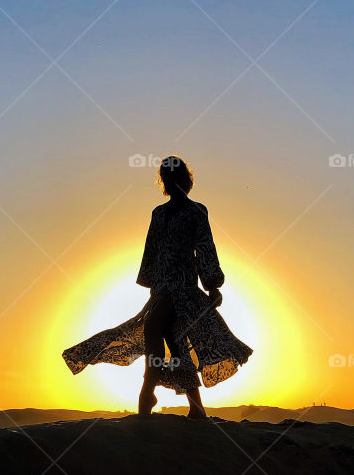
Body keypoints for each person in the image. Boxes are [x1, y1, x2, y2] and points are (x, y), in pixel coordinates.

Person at [62, 156, 252, 418]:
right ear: (164, 181)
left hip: (183, 286)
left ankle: (147, 392)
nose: (171, 182)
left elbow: (205, 248)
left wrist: (212, 284)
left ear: (185, 180)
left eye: (175, 177)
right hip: (161, 288)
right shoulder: (158, 213)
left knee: (153, 329)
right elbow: (151, 249)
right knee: (174, 344)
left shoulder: (196, 211)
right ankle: (196, 409)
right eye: (167, 178)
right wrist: (150, 283)